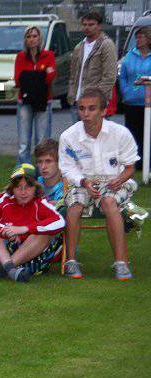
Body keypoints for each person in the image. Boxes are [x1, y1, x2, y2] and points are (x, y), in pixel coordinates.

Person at [59, 88, 139, 281]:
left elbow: (130, 167)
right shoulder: (68, 136)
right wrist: (84, 181)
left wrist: (118, 180)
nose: (86, 114)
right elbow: (67, 168)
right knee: (75, 206)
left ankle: (121, 263)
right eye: (82, 108)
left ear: (103, 111)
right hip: (82, 181)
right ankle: (71, 262)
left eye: (92, 108)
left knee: (109, 202)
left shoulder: (120, 133)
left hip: (115, 179)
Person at [0, 138, 66, 267]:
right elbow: (12, 195)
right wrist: (4, 199)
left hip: (45, 239)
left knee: (54, 213)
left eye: (48, 161)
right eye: (39, 162)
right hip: (20, 233)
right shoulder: (33, 180)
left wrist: (22, 228)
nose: (43, 167)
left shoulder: (67, 186)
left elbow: (60, 211)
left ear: (60, 162)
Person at [0, 164, 66, 282]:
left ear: (36, 187)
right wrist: (4, 230)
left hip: (32, 257)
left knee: (43, 234)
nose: (23, 192)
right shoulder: (4, 199)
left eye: (28, 186)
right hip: (4, 251)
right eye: (18, 187)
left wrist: (24, 229)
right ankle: (10, 270)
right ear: (12, 188)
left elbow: (60, 221)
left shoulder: (40, 203)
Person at [14, 26, 56, 164]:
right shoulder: (20, 57)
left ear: (40, 38)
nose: (32, 39)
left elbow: (50, 77)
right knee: (23, 142)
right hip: (24, 102)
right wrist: (40, 76)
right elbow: (18, 80)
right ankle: (24, 170)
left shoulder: (49, 55)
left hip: (44, 101)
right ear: (25, 40)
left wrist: (30, 77)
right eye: (28, 36)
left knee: (42, 141)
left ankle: (41, 171)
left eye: (34, 36)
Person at [67, 12, 117, 123]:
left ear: (99, 26)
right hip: (77, 102)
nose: (87, 27)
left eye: (91, 24)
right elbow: (73, 76)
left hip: (95, 104)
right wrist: (71, 95)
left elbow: (110, 76)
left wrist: (98, 99)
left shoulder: (106, 45)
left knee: (98, 133)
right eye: (84, 24)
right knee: (78, 134)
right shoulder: (79, 47)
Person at [118, 25, 151, 169]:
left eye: (141, 37)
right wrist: (125, 91)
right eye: (136, 37)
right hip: (131, 101)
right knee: (132, 133)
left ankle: (147, 162)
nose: (137, 40)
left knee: (147, 132)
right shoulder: (130, 56)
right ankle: (134, 162)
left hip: (148, 102)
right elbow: (123, 76)